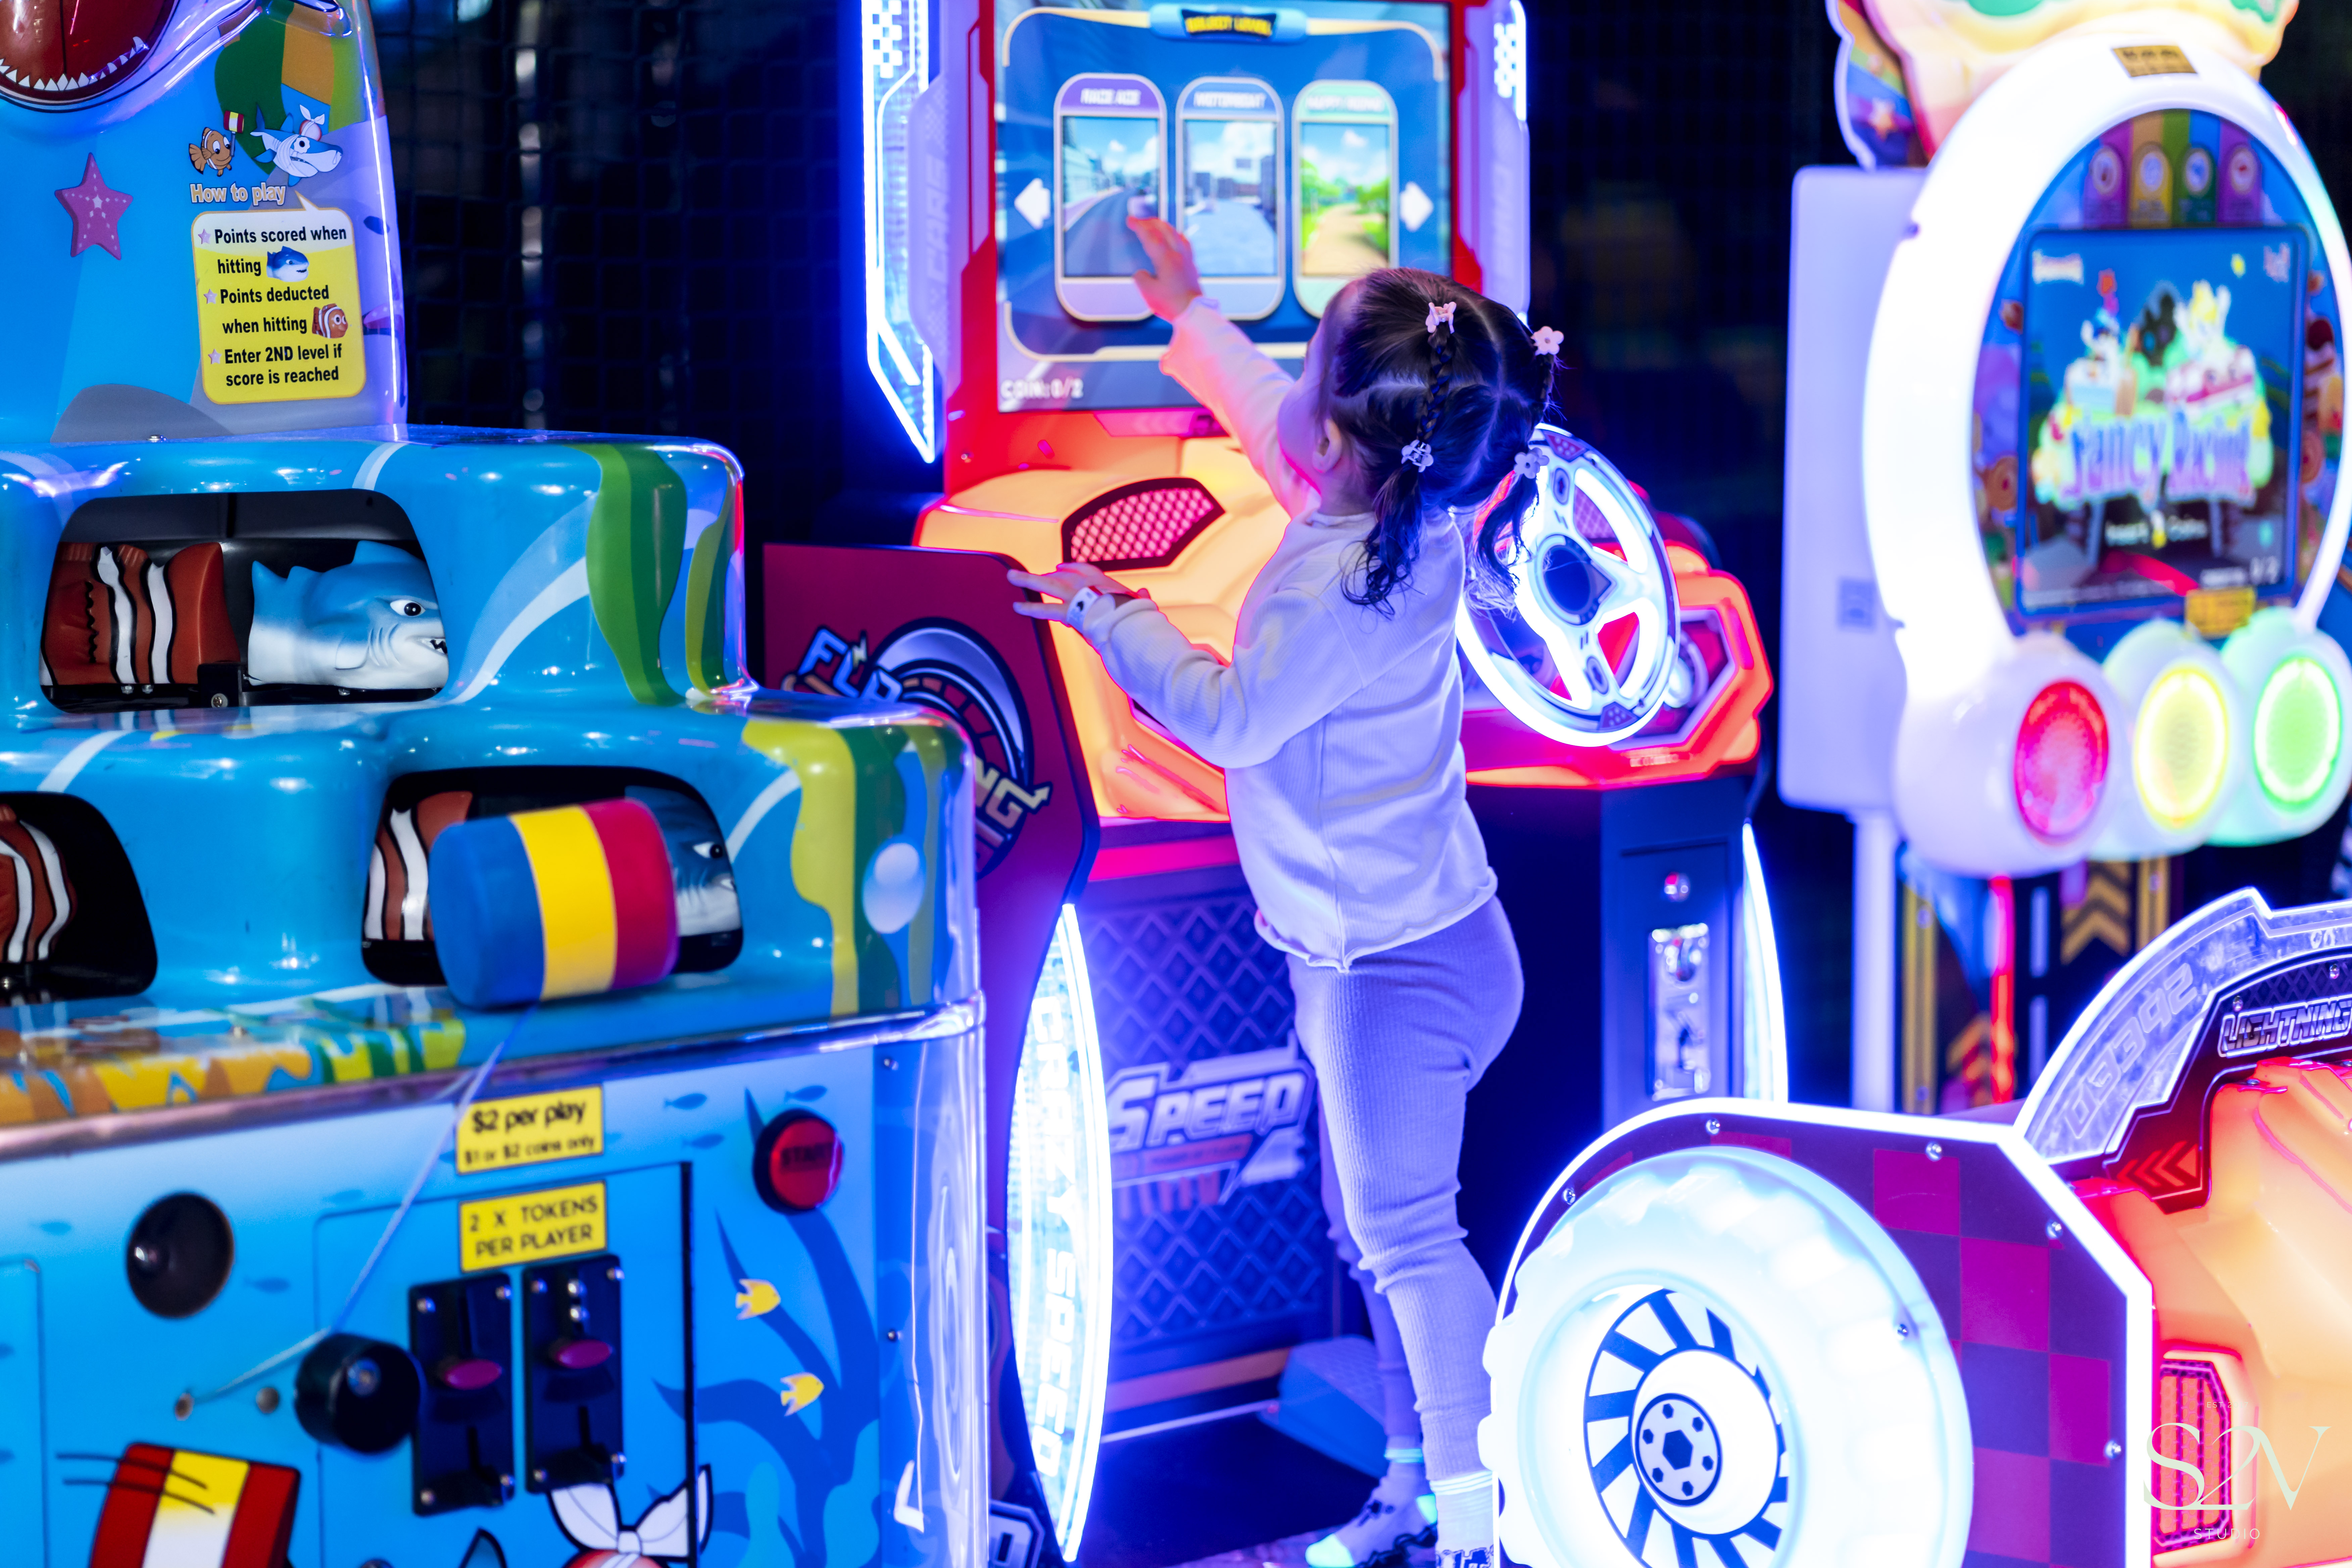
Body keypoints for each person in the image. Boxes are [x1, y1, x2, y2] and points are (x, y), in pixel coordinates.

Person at [1009, 217, 1551, 1568]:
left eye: (1311, 360)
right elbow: (1276, 432)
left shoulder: (1347, 587)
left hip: (1389, 973)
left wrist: (1107, 611)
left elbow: (1230, 715)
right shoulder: (1400, 518)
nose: (1295, 380)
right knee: (1375, 1239)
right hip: (1410, 944)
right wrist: (1190, 315)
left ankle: (1480, 1525)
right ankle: (1414, 1491)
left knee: (1407, 1243)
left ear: (1351, 431)